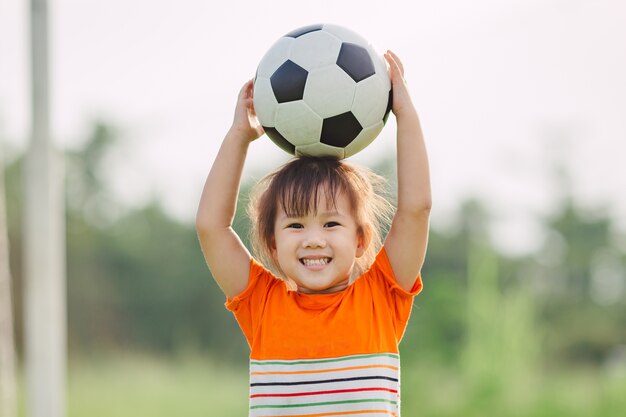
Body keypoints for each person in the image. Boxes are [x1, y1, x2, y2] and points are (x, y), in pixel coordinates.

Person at [196, 50, 431, 416]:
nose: (314, 239)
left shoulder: (381, 297)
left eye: (331, 223)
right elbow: (212, 227)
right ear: (273, 245)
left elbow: (415, 210)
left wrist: (406, 114)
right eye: (295, 225)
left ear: (360, 240)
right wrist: (239, 136)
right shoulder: (262, 304)